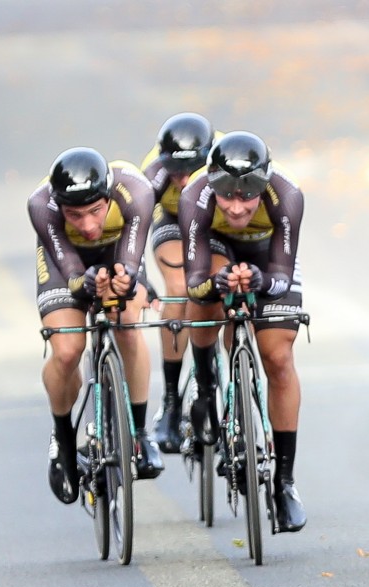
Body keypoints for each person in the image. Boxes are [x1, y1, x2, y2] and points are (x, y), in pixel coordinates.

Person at [179, 131, 308, 533]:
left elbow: (283, 276)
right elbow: (195, 281)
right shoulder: (195, 197)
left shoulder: (287, 195)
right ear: (213, 184)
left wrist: (259, 280)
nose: (236, 208)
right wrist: (219, 283)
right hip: (217, 253)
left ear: (264, 184)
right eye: (227, 196)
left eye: (247, 196)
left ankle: (284, 483)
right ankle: (205, 383)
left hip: (268, 260)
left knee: (278, 358)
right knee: (208, 303)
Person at [29, 147, 165, 505]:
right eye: (74, 215)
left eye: (95, 211)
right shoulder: (41, 205)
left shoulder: (136, 190)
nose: (88, 225)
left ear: (108, 196)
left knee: (127, 328)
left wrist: (124, 281)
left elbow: (130, 266)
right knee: (68, 349)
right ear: (60, 207)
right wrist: (83, 284)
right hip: (66, 265)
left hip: (119, 251)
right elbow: (71, 274)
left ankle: (139, 432)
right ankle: (63, 439)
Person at [141, 112, 218, 453]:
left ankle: (217, 382)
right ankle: (171, 402)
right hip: (172, 219)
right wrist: (139, 278)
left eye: (193, 170)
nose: (184, 180)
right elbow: (133, 232)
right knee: (178, 287)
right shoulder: (154, 175)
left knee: (218, 287)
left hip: (217, 217)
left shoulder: (225, 159)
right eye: (177, 172)